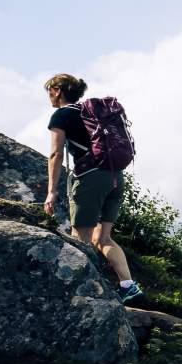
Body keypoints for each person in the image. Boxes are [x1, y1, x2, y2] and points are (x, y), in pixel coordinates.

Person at [43, 73, 144, 303]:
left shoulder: (61, 115)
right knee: (103, 238)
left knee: (81, 238)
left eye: (49, 90)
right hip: (115, 176)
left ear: (58, 90)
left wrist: (51, 190)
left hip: (90, 178)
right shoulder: (93, 112)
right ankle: (128, 285)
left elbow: (56, 154)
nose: (48, 95)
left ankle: (84, 291)